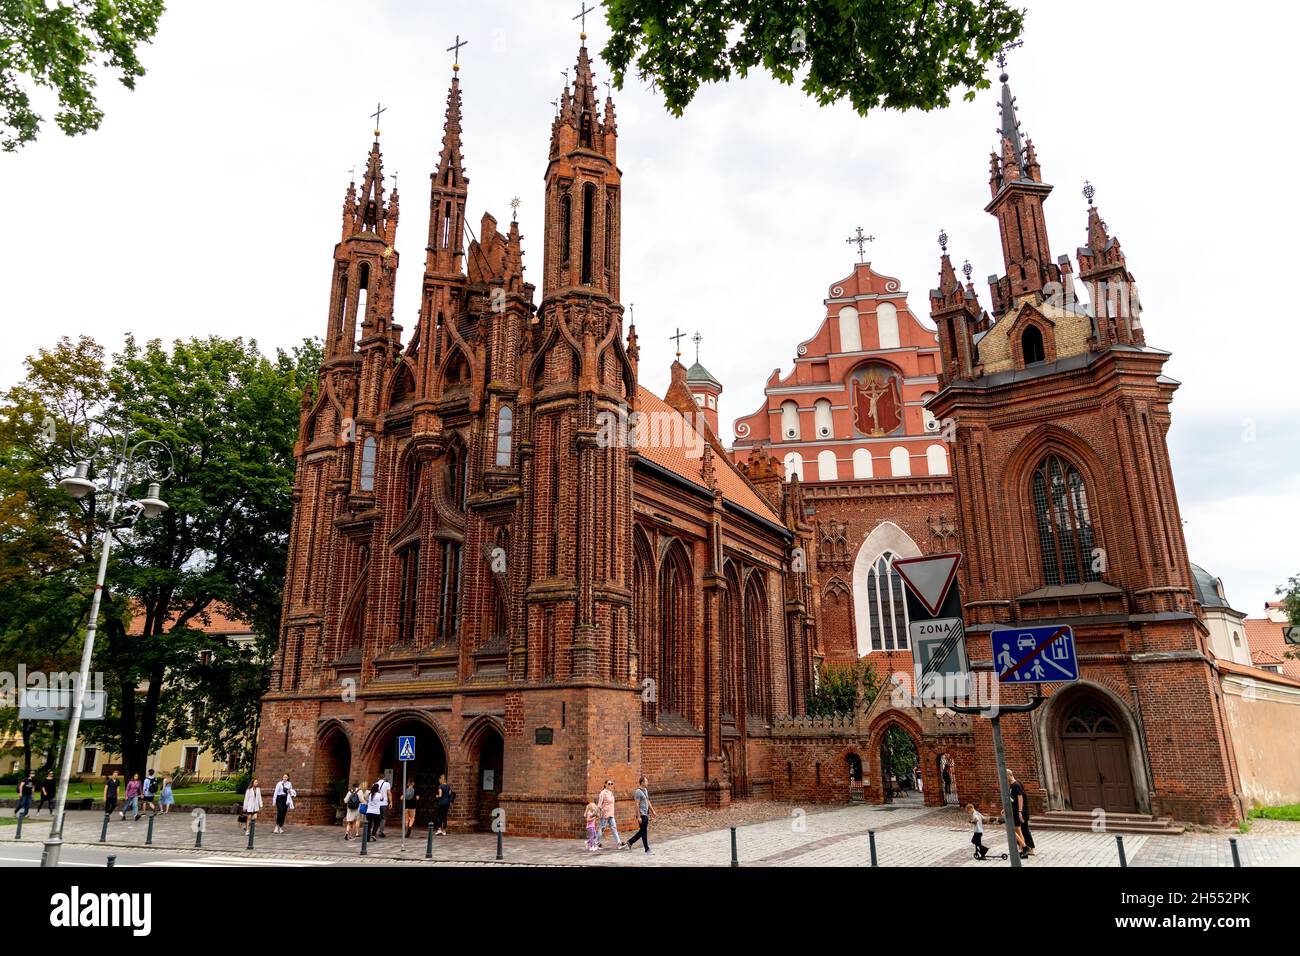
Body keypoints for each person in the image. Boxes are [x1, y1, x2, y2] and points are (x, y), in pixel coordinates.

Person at [1007, 770, 1035, 859]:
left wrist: (1020, 811)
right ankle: (1023, 849)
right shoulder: (1011, 785)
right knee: (1020, 831)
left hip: (1018, 812)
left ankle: (1027, 848)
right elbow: (1012, 799)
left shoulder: (1016, 785)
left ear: (1009, 775)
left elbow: (1020, 798)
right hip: (1015, 811)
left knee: (1019, 830)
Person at [626, 775, 656, 854]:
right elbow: (636, 804)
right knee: (644, 832)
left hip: (645, 813)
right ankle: (647, 849)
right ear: (642, 782)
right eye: (646, 781)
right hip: (641, 814)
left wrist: (653, 811)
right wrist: (638, 816)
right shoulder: (638, 792)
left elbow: (647, 801)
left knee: (642, 831)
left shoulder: (645, 790)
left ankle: (630, 842)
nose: (647, 783)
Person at [596, 779, 626, 849]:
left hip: (611, 814)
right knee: (602, 828)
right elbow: (599, 804)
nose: (610, 785)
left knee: (614, 827)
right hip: (605, 814)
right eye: (608, 784)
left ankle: (619, 843)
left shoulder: (610, 792)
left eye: (611, 784)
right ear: (605, 784)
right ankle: (596, 843)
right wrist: (599, 813)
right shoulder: (603, 793)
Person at [374, 773, 391, 838]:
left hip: (376, 803)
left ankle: (374, 832)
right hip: (384, 803)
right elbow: (389, 793)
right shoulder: (387, 784)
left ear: (378, 778)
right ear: (384, 777)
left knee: (376, 817)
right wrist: (391, 802)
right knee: (383, 818)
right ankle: (381, 832)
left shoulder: (375, 784)